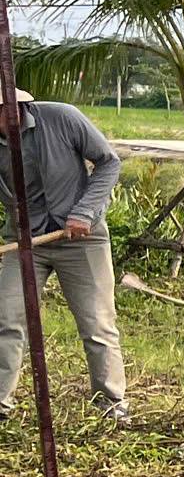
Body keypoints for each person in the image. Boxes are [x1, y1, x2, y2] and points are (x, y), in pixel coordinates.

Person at [0, 89, 127, 426]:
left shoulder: (62, 118)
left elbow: (109, 162)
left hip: (80, 238)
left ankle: (111, 405)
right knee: (7, 319)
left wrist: (84, 212)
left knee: (96, 322)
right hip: (25, 241)